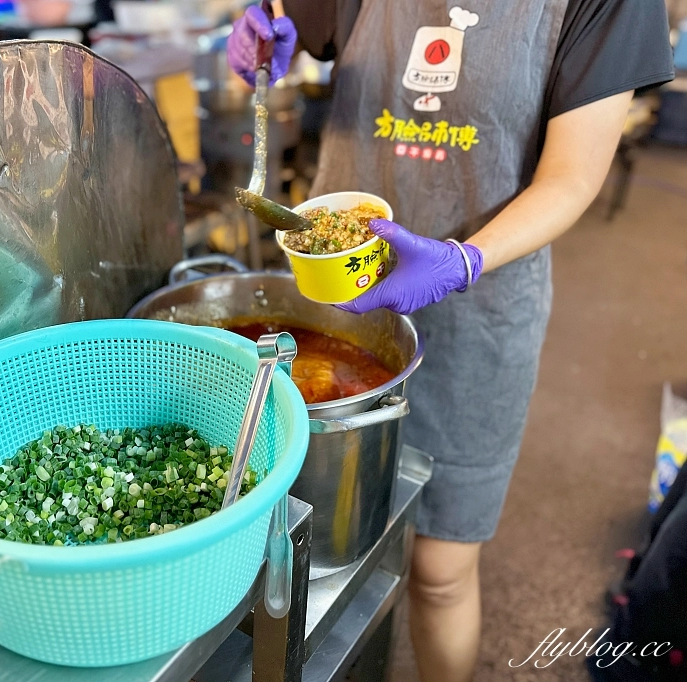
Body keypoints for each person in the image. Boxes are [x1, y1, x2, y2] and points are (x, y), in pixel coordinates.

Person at [228, 2, 674, 681]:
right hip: (337, 302)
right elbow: (295, 25)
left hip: (482, 302)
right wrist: (264, 39)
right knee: (297, 538)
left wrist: (461, 259)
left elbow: (574, 176)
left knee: (441, 566)